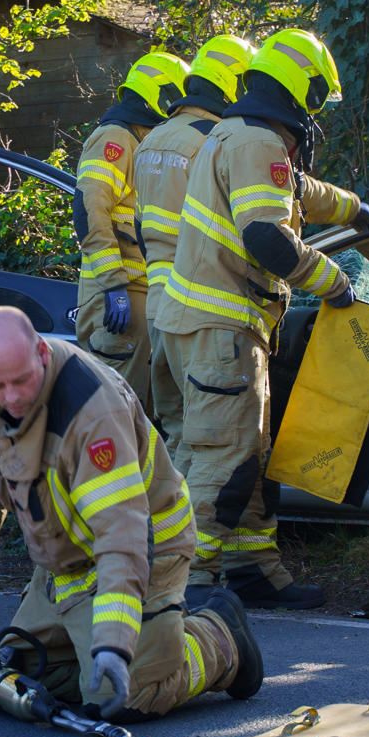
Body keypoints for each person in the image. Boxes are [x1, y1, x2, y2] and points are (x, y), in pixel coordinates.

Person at [0, 306, 263, 720]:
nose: (12, 397)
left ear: (41, 351)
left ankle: (219, 638)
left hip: (147, 550)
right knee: (25, 671)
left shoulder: (91, 411)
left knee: (124, 696)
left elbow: (121, 537)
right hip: (69, 565)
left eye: (21, 380)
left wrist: (113, 641)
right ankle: (133, 644)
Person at [151, 28, 369, 610]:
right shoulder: (259, 144)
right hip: (222, 330)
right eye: (317, 98)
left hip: (191, 325)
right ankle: (184, 586)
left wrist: (352, 208)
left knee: (233, 454)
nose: (315, 113)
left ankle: (252, 571)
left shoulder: (234, 132)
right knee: (225, 461)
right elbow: (266, 238)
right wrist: (333, 281)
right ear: (302, 90)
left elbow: (296, 191)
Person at [133, 35, 256, 440]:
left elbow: (139, 224)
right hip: (200, 310)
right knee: (211, 442)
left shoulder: (151, 138)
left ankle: (169, 506)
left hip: (157, 307)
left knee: (175, 431)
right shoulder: (214, 141)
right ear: (233, 83)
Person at [73, 51, 192, 407]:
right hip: (117, 298)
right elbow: (89, 208)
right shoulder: (115, 138)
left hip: (140, 296)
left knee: (140, 416)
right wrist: (114, 285)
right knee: (114, 416)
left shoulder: (142, 143)